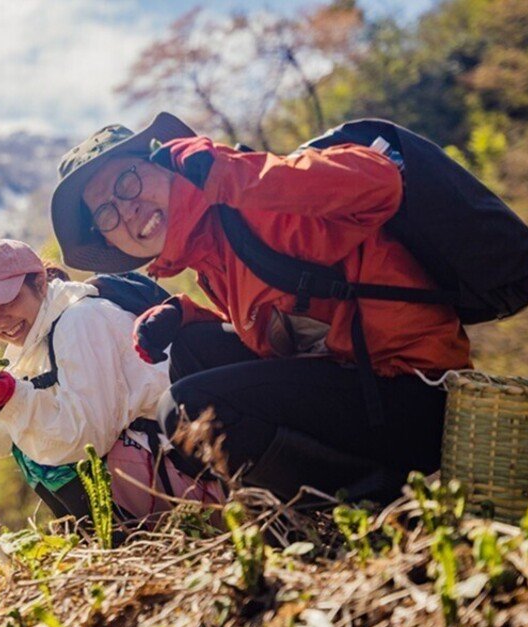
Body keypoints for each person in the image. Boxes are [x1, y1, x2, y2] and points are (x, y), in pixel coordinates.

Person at [48, 113, 471, 502]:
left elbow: (380, 182)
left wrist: (231, 173)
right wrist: (187, 316)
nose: (127, 209)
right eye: (105, 213)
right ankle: (308, 505)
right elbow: (286, 333)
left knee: (187, 407)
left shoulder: (248, 202)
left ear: (165, 166)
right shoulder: (209, 256)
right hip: (360, 391)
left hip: (417, 398)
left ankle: (367, 502)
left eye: (128, 181)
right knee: (193, 347)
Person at [0, 239, 220, 522]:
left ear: (40, 283)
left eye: (9, 300)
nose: (1, 321)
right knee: (30, 440)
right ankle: (104, 536)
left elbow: (85, 437)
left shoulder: (82, 319)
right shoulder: (29, 342)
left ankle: (112, 539)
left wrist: (12, 399)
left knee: (43, 453)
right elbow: (0, 441)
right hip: (160, 471)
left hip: (195, 480)